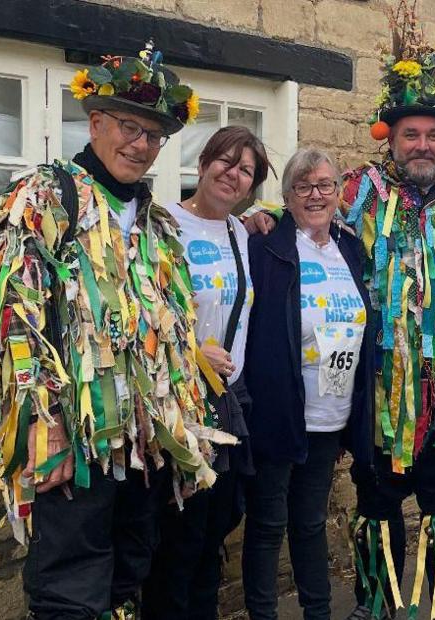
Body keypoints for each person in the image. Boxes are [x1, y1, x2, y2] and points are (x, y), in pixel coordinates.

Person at [246, 3, 435, 618]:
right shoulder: (356, 193)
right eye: (410, 134)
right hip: (377, 387)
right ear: (391, 139)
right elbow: (301, 209)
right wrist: (256, 216)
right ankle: (377, 604)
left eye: (432, 135)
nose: (421, 144)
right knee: (376, 501)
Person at [0, 44, 222, 619]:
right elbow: (12, 318)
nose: (141, 145)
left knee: (127, 575)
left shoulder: (153, 219)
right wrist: (48, 425)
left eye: (154, 135)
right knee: (69, 590)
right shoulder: (47, 197)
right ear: (96, 122)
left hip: (139, 442)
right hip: (73, 441)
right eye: (130, 127)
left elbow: (164, 322)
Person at [142, 125, 271, 620]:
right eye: (226, 161)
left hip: (230, 403)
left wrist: (264, 216)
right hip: (181, 400)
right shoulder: (165, 222)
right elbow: (144, 309)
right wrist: (193, 350)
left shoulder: (243, 230)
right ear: (203, 163)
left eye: (246, 171)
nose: (233, 175)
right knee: (179, 534)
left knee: (217, 526)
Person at [241, 147, 376, 620]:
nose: (315, 195)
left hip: (330, 415)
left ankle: (317, 613)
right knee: (267, 525)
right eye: (303, 186)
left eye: (324, 185)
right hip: (279, 413)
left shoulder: (350, 248)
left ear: (339, 193)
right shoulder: (267, 245)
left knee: (310, 523)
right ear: (287, 196)